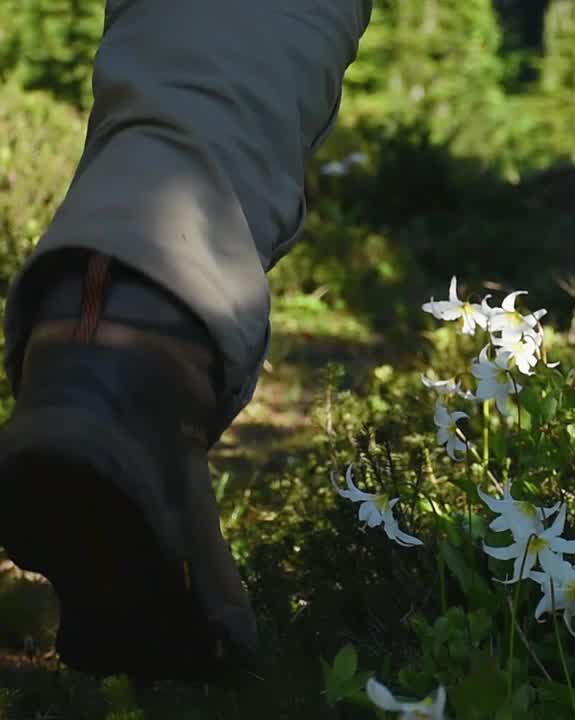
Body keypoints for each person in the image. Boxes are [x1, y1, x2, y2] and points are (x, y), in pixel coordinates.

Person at [0, 0, 373, 679]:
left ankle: (108, 336)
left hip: (99, 319)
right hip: (147, 327)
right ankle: (134, 332)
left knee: (186, 74)